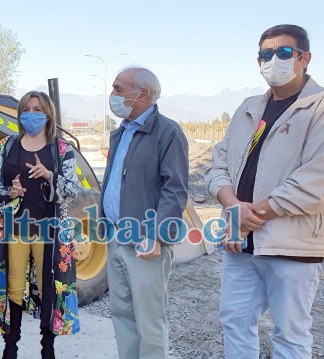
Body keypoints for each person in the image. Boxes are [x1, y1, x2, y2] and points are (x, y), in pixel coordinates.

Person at [205, 24, 324, 359]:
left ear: (304, 58)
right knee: (234, 321)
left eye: (284, 53)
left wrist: (246, 217)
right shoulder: (248, 109)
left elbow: (318, 182)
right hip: (240, 243)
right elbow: (218, 166)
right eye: (265, 54)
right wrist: (234, 212)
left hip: (294, 246)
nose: (273, 60)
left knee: (290, 334)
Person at [100, 67, 189, 359]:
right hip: (116, 238)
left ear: (142, 94)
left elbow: (174, 189)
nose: (112, 95)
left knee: (150, 323)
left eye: (118, 89)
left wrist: (156, 236)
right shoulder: (120, 133)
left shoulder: (167, 132)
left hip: (145, 244)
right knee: (122, 316)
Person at [0, 91, 81, 359]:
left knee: (48, 285)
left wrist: (50, 176)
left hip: (50, 231)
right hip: (16, 229)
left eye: (37, 109)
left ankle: (47, 349)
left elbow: (73, 189)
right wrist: (9, 191)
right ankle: (10, 347)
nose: (31, 114)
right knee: (13, 286)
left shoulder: (61, 149)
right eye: (26, 108)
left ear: (48, 114)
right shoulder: (7, 145)